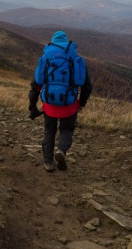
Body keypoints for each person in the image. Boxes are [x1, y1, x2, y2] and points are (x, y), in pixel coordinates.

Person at [29, 31, 93, 172]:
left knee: (49, 131)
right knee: (66, 129)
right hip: (69, 104)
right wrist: (81, 104)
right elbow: (87, 86)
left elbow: (36, 85)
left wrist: (32, 105)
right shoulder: (74, 58)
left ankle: (48, 163)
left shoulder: (45, 59)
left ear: (53, 43)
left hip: (49, 104)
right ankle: (62, 150)